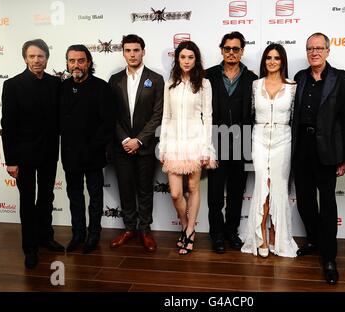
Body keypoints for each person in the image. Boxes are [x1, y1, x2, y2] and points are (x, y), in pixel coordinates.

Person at [291, 33, 345, 285]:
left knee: (327, 204)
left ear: (328, 50)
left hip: (327, 149)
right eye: (310, 48)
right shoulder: (300, 78)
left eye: (319, 48)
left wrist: (343, 156)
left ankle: (329, 257)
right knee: (304, 200)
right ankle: (314, 241)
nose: (314, 52)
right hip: (301, 147)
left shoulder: (341, 78)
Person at [1, 39, 63, 269]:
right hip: (24, 155)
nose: (37, 60)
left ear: (47, 58)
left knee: (47, 197)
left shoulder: (56, 83)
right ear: (25, 58)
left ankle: (45, 237)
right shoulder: (13, 85)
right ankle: (30, 248)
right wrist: (11, 160)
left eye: (41, 56)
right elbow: (7, 125)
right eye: (32, 56)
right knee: (27, 201)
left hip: (49, 152)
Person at [159, 41, 216, 255]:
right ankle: (185, 225)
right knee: (175, 193)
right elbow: (166, 116)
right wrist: (163, 146)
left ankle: (190, 231)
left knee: (193, 189)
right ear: (177, 59)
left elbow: (208, 117)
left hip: (195, 141)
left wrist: (206, 148)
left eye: (190, 57)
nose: (186, 61)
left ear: (196, 60)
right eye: (183, 57)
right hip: (173, 142)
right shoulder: (170, 83)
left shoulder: (204, 83)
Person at [241, 43, 298, 258]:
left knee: (279, 188)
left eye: (276, 58)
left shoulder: (293, 86)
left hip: (284, 140)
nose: (272, 61)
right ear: (264, 61)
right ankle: (260, 237)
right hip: (259, 139)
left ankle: (276, 235)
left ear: (282, 61)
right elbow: (249, 115)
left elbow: (295, 117)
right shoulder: (255, 85)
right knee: (262, 187)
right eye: (268, 58)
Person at [108, 34, 164, 253]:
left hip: (145, 146)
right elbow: (111, 115)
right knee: (125, 189)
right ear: (123, 52)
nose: (132, 54)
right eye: (128, 50)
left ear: (143, 51)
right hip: (121, 146)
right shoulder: (114, 80)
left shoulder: (156, 79)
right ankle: (129, 228)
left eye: (136, 50)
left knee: (145, 190)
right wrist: (125, 139)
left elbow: (157, 115)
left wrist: (139, 140)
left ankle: (145, 230)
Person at [60, 45, 115, 254]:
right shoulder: (62, 88)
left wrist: (92, 148)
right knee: (74, 196)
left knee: (95, 196)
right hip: (70, 155)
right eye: (72, 61)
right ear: (67, 63)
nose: (76, 65)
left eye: (81, 60)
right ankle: (78, 234)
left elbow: (108, 123)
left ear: (89, 62)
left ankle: (94, 234)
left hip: (94, 154)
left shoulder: (101, 87)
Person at [205, 31, 258, 254]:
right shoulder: (208, 76)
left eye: (236, 49)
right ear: (221, 50)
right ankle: (216, 234)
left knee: (237, 192)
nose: (231, 53)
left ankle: (231, 231)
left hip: (242, 140)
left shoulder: (253, 79)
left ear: (242, 51)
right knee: (215, 193)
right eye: (227, 48)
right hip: (215, 140)